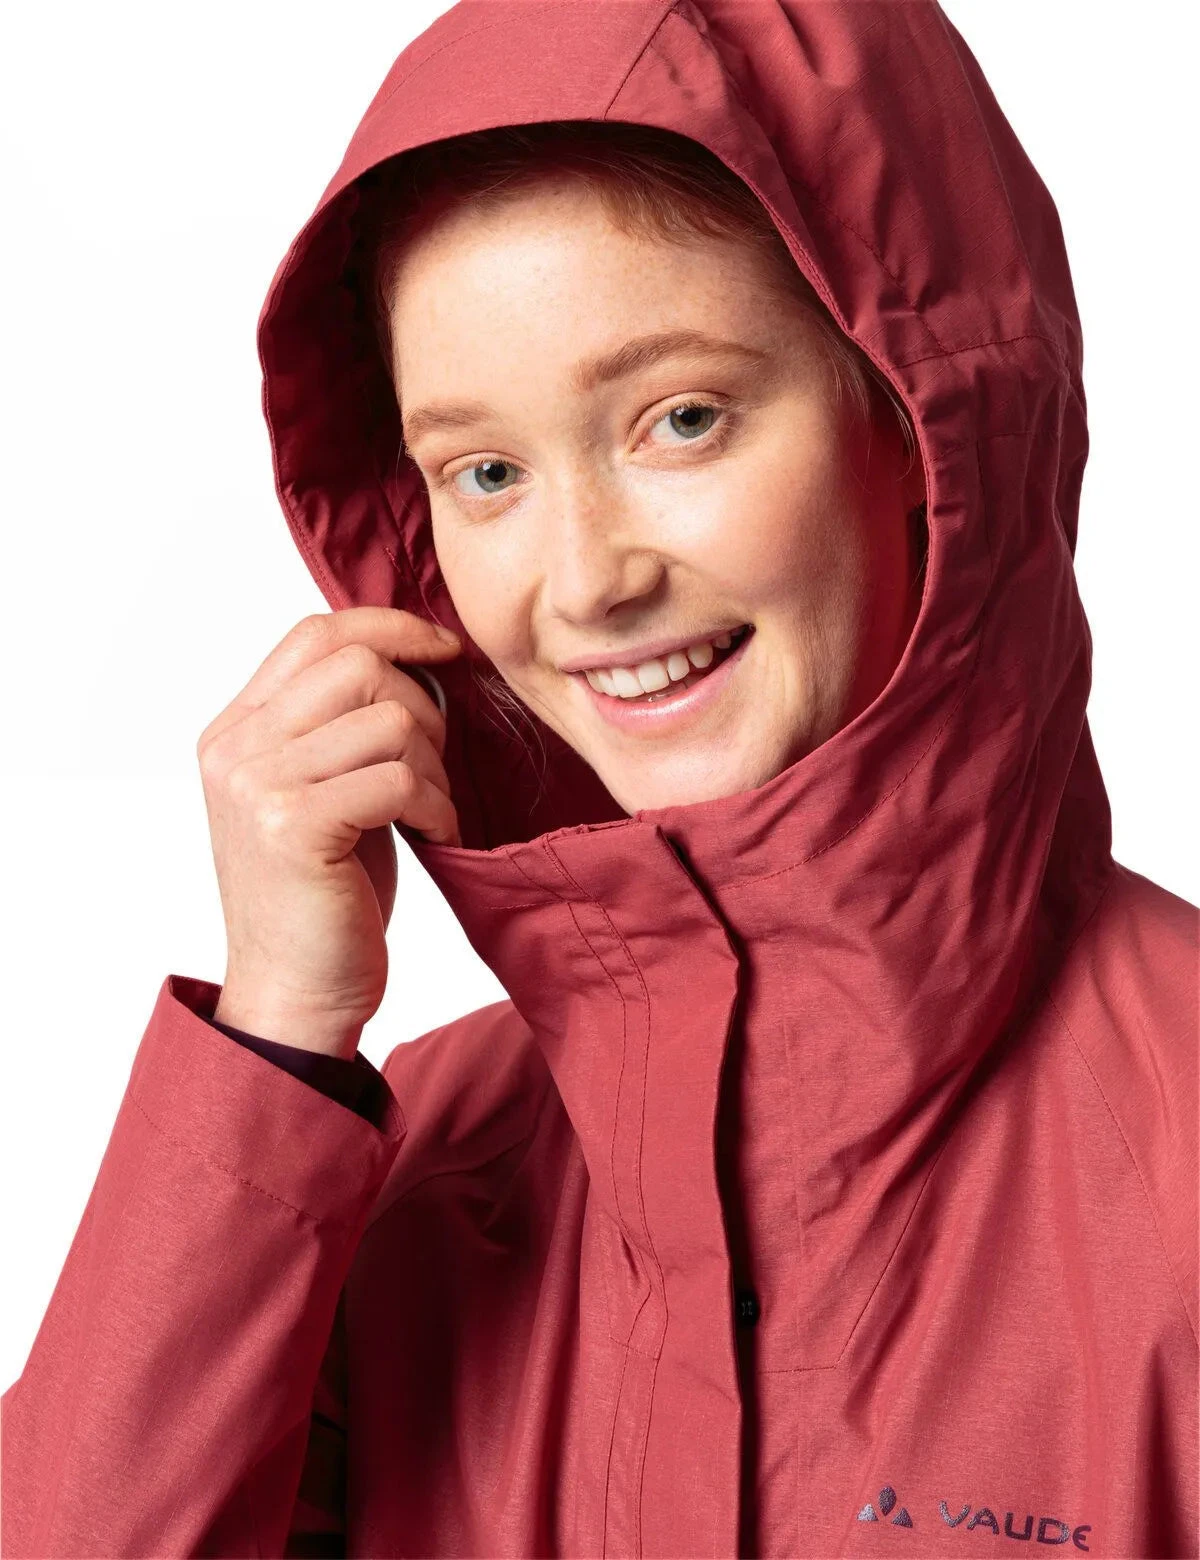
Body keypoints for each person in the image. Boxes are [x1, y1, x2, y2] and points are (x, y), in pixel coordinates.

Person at [2, 1, 1196, 1556]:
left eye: (679, 421)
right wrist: (278, 1032)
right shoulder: (398, 1172)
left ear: (920, 421)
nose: (582, 583)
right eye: (486, 472)